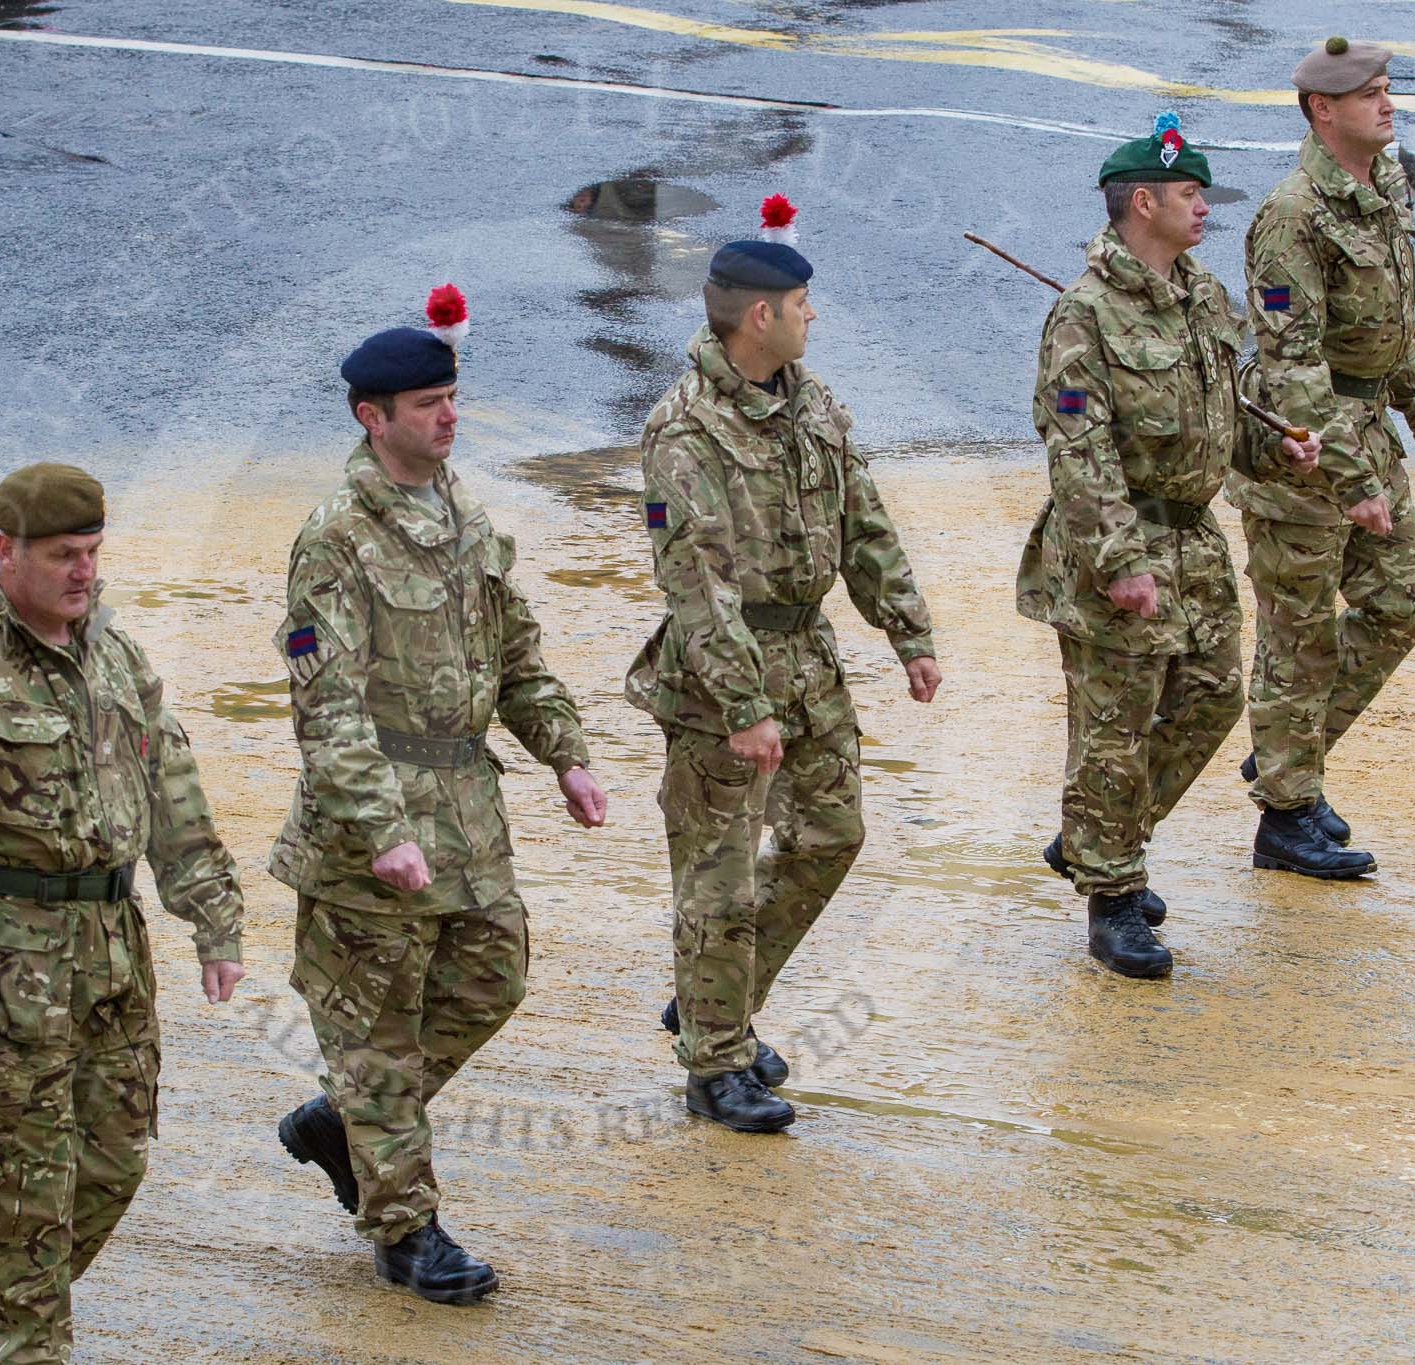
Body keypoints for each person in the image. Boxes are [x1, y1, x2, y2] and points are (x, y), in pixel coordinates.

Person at [270, 286, 607, 1305]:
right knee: (377, 1031)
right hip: (368, 826)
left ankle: (341, 1124)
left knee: (488, 982)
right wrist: (379, 831)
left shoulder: (462, 512)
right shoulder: (333, 541)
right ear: (372, 419)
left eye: (451, 397)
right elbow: (323, 706)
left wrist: (565, 752)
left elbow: (514, 651)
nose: (448, 416)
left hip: (464, 812)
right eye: (425, 404)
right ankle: (403, 1228)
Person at [0, 464, 247, 1365]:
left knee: (113, 1165)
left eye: (92, 553)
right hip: (11, 977)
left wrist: (213, 916)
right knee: (29, 1211)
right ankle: (12, 1330)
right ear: (7, 553)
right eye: (63, 556)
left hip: (114, 961)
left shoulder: (115, 656)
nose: (84, 573)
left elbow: (173, 787)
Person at [628, 196, 941, 1132]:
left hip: (808, 654)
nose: (813, 316)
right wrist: (741, 702)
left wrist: (908, 629)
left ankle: (713, 1001)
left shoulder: (810, 402)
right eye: (802, 303)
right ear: (758, 317)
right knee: (718, 876)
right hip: (722, 675)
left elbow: (864, 518)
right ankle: (715, 1062)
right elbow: (697, 585)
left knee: (830, 835)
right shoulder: (684, 432)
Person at [1021, 116, 1324, 978]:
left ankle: (1096, 833)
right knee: (1113, 729)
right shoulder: (1083, 316)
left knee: (1212, 697)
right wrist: (1121, 560)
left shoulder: (1202, 296)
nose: (1204, 208)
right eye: (1191, 195)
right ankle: (1113, 898)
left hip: (1193, 540)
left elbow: (1224, 411)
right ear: (1142, 203)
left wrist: (1277, 446)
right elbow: (1078, 451)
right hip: (1119, 545)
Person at [1229, 36, 1415, 879]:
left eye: (1389, 90)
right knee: (1296, 632)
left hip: (1366, 427)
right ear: (1324, 111)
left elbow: (1390, 321)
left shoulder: (1384, 185)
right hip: (1303, 448)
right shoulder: (1292, 217)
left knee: (1404, 598)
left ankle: (1289, 755)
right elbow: (1291, 364)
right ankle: (1285, 819)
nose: (1389, 105)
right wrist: (1351, 479)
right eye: (1371, 95)